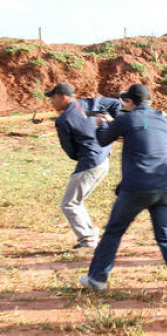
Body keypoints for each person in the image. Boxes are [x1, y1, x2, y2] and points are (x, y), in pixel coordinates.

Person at [80, 84, 167, 297]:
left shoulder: (125, 120)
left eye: (125, 101)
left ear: (130, 102)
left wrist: (101, 124)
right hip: (165, 184)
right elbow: (141, 134)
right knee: (166, 237)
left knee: (113, 232)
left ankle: (97, 279)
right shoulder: (162, 119)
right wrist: (116, 124)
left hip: (137, 186)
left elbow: (102, 140)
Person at [46, 82, 122, 249]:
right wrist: (114, 124)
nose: (51, 103)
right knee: (76, 201)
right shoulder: (88, 103)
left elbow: (70, 150)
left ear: (62, 97)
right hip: (103, 159)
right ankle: (89, 236)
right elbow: (116, 103)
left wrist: (82, 156)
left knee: (69, 203)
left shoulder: (64, 119)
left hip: (90, 162)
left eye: (53, 99)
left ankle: (88, 240)